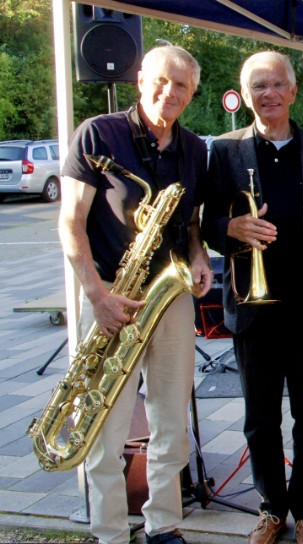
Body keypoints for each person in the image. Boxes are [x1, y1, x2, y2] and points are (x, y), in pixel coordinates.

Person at [59, 45, 213, 544]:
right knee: (106, 423)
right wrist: (97, 296)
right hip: (112, 295)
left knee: (171, 421)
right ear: (141, 78)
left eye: (181, 85)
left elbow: (192, 222)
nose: (170, 91)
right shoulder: (98, 134)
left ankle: (163, 524)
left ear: (192, 93)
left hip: (169, 297)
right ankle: (109, 533)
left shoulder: (194, 148)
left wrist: (199, 256)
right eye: (161, 80)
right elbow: (70, 223)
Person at [200, 51, 303, 544]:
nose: (269, 94)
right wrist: (231, 227)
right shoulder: (225, 151)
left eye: (277, 84)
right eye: (258, 86)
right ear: (247, 95)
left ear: (293, 90)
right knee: (259, 420)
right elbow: (206, 224)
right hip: (253, 308)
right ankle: (271, 509)